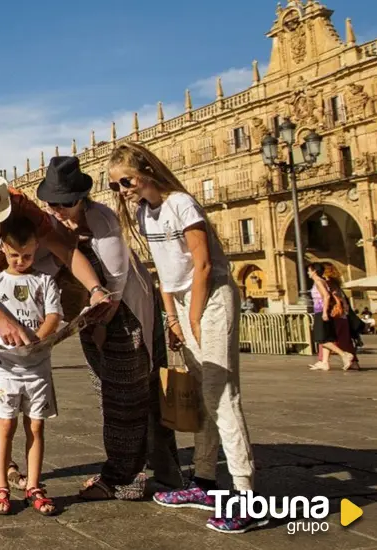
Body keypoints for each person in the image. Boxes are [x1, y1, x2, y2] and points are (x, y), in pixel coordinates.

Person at [107, 142, 260, 534]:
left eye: (126, 180)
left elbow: (204, 264)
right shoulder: (144, 214)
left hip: (213, 296)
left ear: (146, 171)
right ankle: (206, 483)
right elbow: (164, 274)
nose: (123, 189)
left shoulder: (182, 204)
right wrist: (171, 318)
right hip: (185, 306)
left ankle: (246, 497)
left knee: (222, 396)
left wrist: (192, 314)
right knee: (202, 397)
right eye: (115, 186)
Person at [0, 167, 108, 501]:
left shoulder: (19, 204)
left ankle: (5, 462)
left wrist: (96, 289)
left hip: (5, 289)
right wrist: (2, 321)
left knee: (10, 376)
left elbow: (64, 250)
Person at [37, 156, 182, 501]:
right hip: (93, 316)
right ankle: (155, 470)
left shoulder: (100, 218)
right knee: (115, 395)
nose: (58, 209)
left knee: (124, 399)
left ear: (81, 198)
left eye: (65, 202)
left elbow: (114, 282)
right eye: (52, 203)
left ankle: (123, 478)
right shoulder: (59, 222)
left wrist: (101, 327)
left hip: (123, 314)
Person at [0, 215, 62, 516]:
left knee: (35, 426)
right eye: (14, 255)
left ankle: (34, 485)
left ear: (36, 249)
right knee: (5, 425)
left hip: (37, 365)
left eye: (27, 255)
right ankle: (1, 483)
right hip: (5, 367)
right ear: (3, 249)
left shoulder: (45, 281)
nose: (21, 261)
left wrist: (36, 338)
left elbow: (54, 316)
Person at [308, 264, 357, 371]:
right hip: (329, 312)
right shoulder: (326, 282)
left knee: (321, 338)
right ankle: (324, 362)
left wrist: (325, 312)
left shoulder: (319, 281)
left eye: (309, 270)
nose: (308, 272)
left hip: (322, 311)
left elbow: (326, 296)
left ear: (314, 271)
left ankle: (344, 355)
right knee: (327, 338)